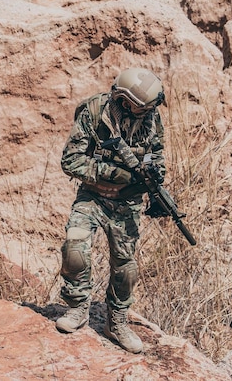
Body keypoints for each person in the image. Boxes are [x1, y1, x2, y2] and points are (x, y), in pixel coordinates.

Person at [55, 67, 167, 354]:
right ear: (126, 100)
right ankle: (78, 308)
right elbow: (71, 160)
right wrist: (111, 174)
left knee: (126, 266)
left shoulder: (152, 120)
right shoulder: (94, 112)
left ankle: (116, 321)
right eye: (143, 107)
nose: (148, 111)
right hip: (93, 195)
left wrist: (154, 179)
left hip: (127, 204)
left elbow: (158, 155)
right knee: (75, 246)